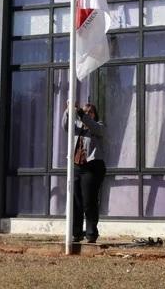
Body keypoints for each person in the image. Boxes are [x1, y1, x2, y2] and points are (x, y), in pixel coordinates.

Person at [63, 102, 106, 244]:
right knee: (76, 202)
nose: (87, 113)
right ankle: (76, 233)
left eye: (90, 112)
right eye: (85, 111)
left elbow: (94, 127)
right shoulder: (77, 127)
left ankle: (91, 233)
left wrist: (81, 113)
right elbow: (65, 125)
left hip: (92, 167)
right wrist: (69, 110)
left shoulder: (98, 126)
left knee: (89, 201)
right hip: (76, 166)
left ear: (94, 114)